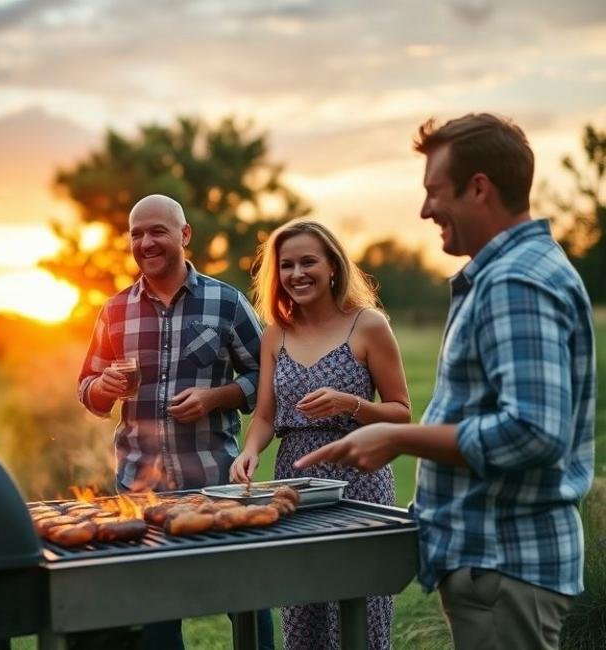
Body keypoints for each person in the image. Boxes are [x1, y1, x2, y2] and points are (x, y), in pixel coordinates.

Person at [296, 113, 596, 649]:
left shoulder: (515, 280)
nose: (424, 209)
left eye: (434, 191)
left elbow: (534, 432)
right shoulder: (513, 272)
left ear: (478, 188)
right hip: (495, 564)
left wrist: (398, 436)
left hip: (504, 562)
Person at [78, 194, 273, 650]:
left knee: (245, 599)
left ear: (184, 235)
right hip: (139, 491)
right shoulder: (114, 310)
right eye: (136, 234)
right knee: (155, 612)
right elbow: (87, 388)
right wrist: (103, 386)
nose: (145, 242)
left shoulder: (227, 303)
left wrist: (215, 397)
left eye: (157, 231)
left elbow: (266, 377)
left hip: (215, 486)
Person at [230, 220, 411, 649]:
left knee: (359, 611)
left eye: (308, 261)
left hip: (359, 481)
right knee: (302, 612)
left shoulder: (368, 325)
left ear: (332, 265)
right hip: (294, 485)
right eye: (287, 265)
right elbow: (265, 417)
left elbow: (402, 414)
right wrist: (249, 451)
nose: (297, 273)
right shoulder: (275, 334)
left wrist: (350, 404)